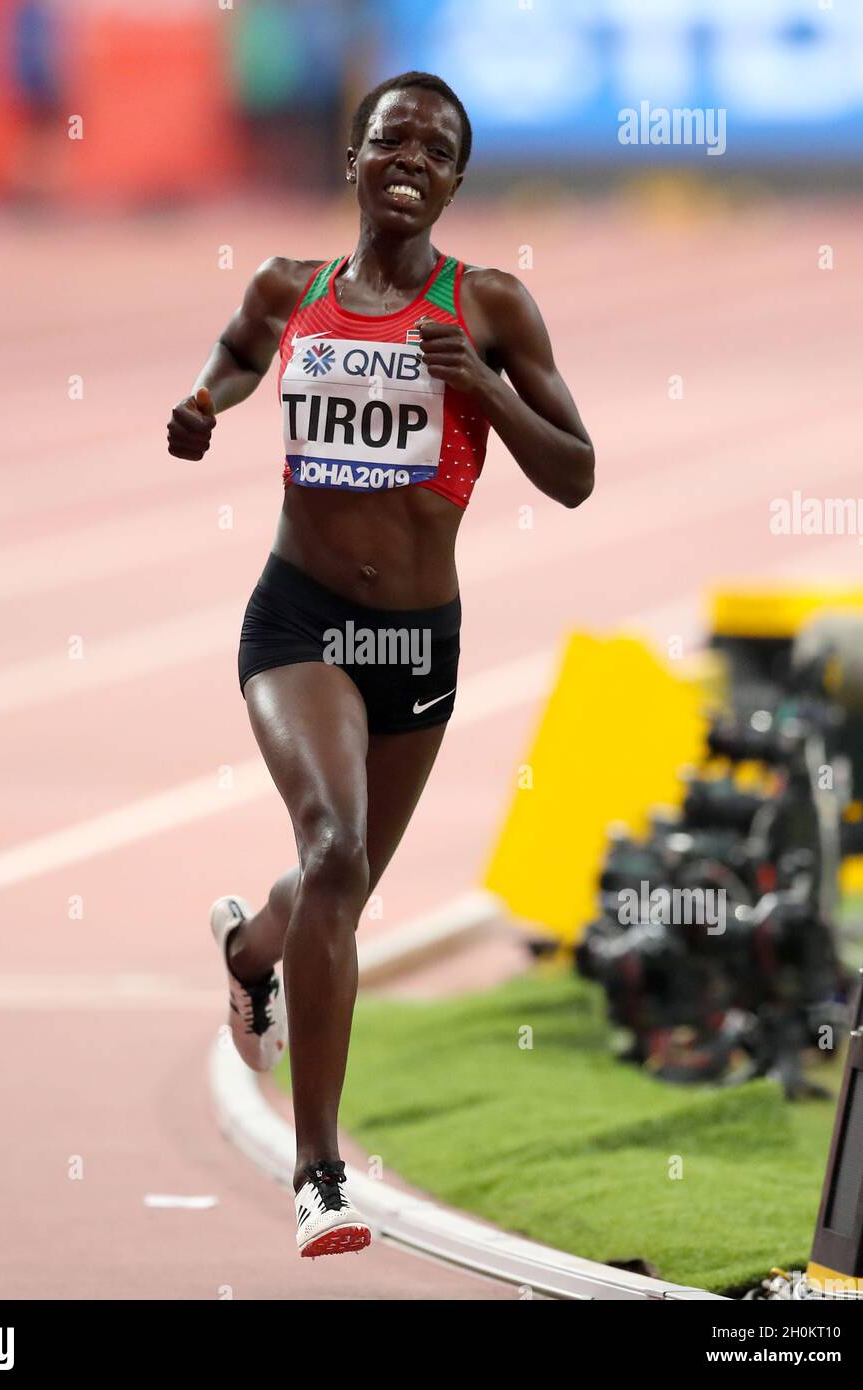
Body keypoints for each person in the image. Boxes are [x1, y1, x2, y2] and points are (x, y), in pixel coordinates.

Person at [166, 70, 594, 1259]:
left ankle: (252, 949)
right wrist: (207, 400)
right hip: (295, 620)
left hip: (416, 641)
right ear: (353, 157)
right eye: (389, 138)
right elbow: (243, 349)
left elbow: (576, 473)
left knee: (336, 889)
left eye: (435, 149)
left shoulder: (492, 308)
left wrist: (486, 396)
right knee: (334, 846)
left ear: (455, 182)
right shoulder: (288, 286)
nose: (409, 158)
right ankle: (318, 1172)